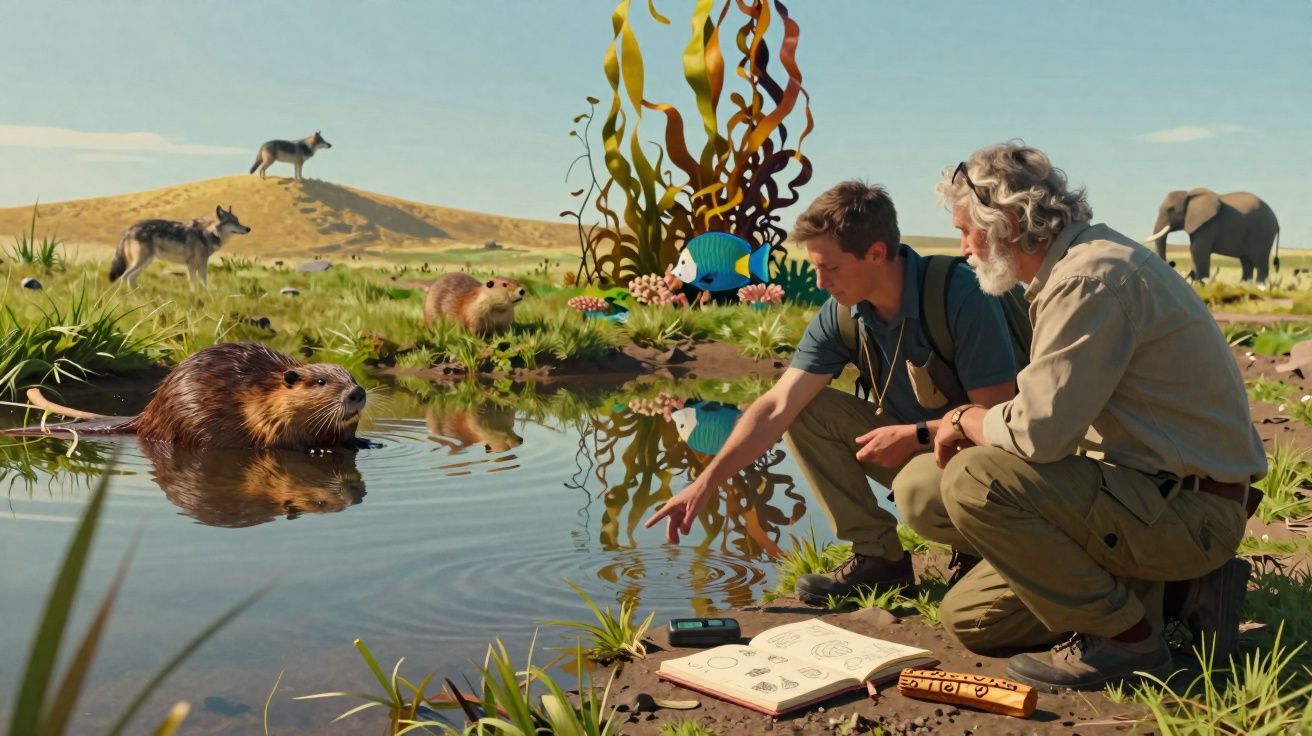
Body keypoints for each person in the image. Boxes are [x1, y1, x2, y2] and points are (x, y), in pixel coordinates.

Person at [922, 142, 1265, 691]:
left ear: (1009, 222)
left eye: (968, 229)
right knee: (970, 617)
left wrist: (963, 419)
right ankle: (1180, 591)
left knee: (973, 478)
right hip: (1148, 491)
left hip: (1187, 510)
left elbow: (1038, 433)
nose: (963, 247)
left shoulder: (1089, 279)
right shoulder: (1077, 266)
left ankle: (1128, 642)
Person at [644, 180, 1019, 605]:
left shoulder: (961, 294)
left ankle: (981, 547)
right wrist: (706, 483)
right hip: (918, 449)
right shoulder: (843, 313)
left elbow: (994, 420)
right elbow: (776, 407)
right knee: (804, 409)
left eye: (832, 268)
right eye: (816, 267)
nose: (820, 282)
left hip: (990, 465)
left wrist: (915, 434)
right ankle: (879, 560)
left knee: (918, 486)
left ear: (877, 253)